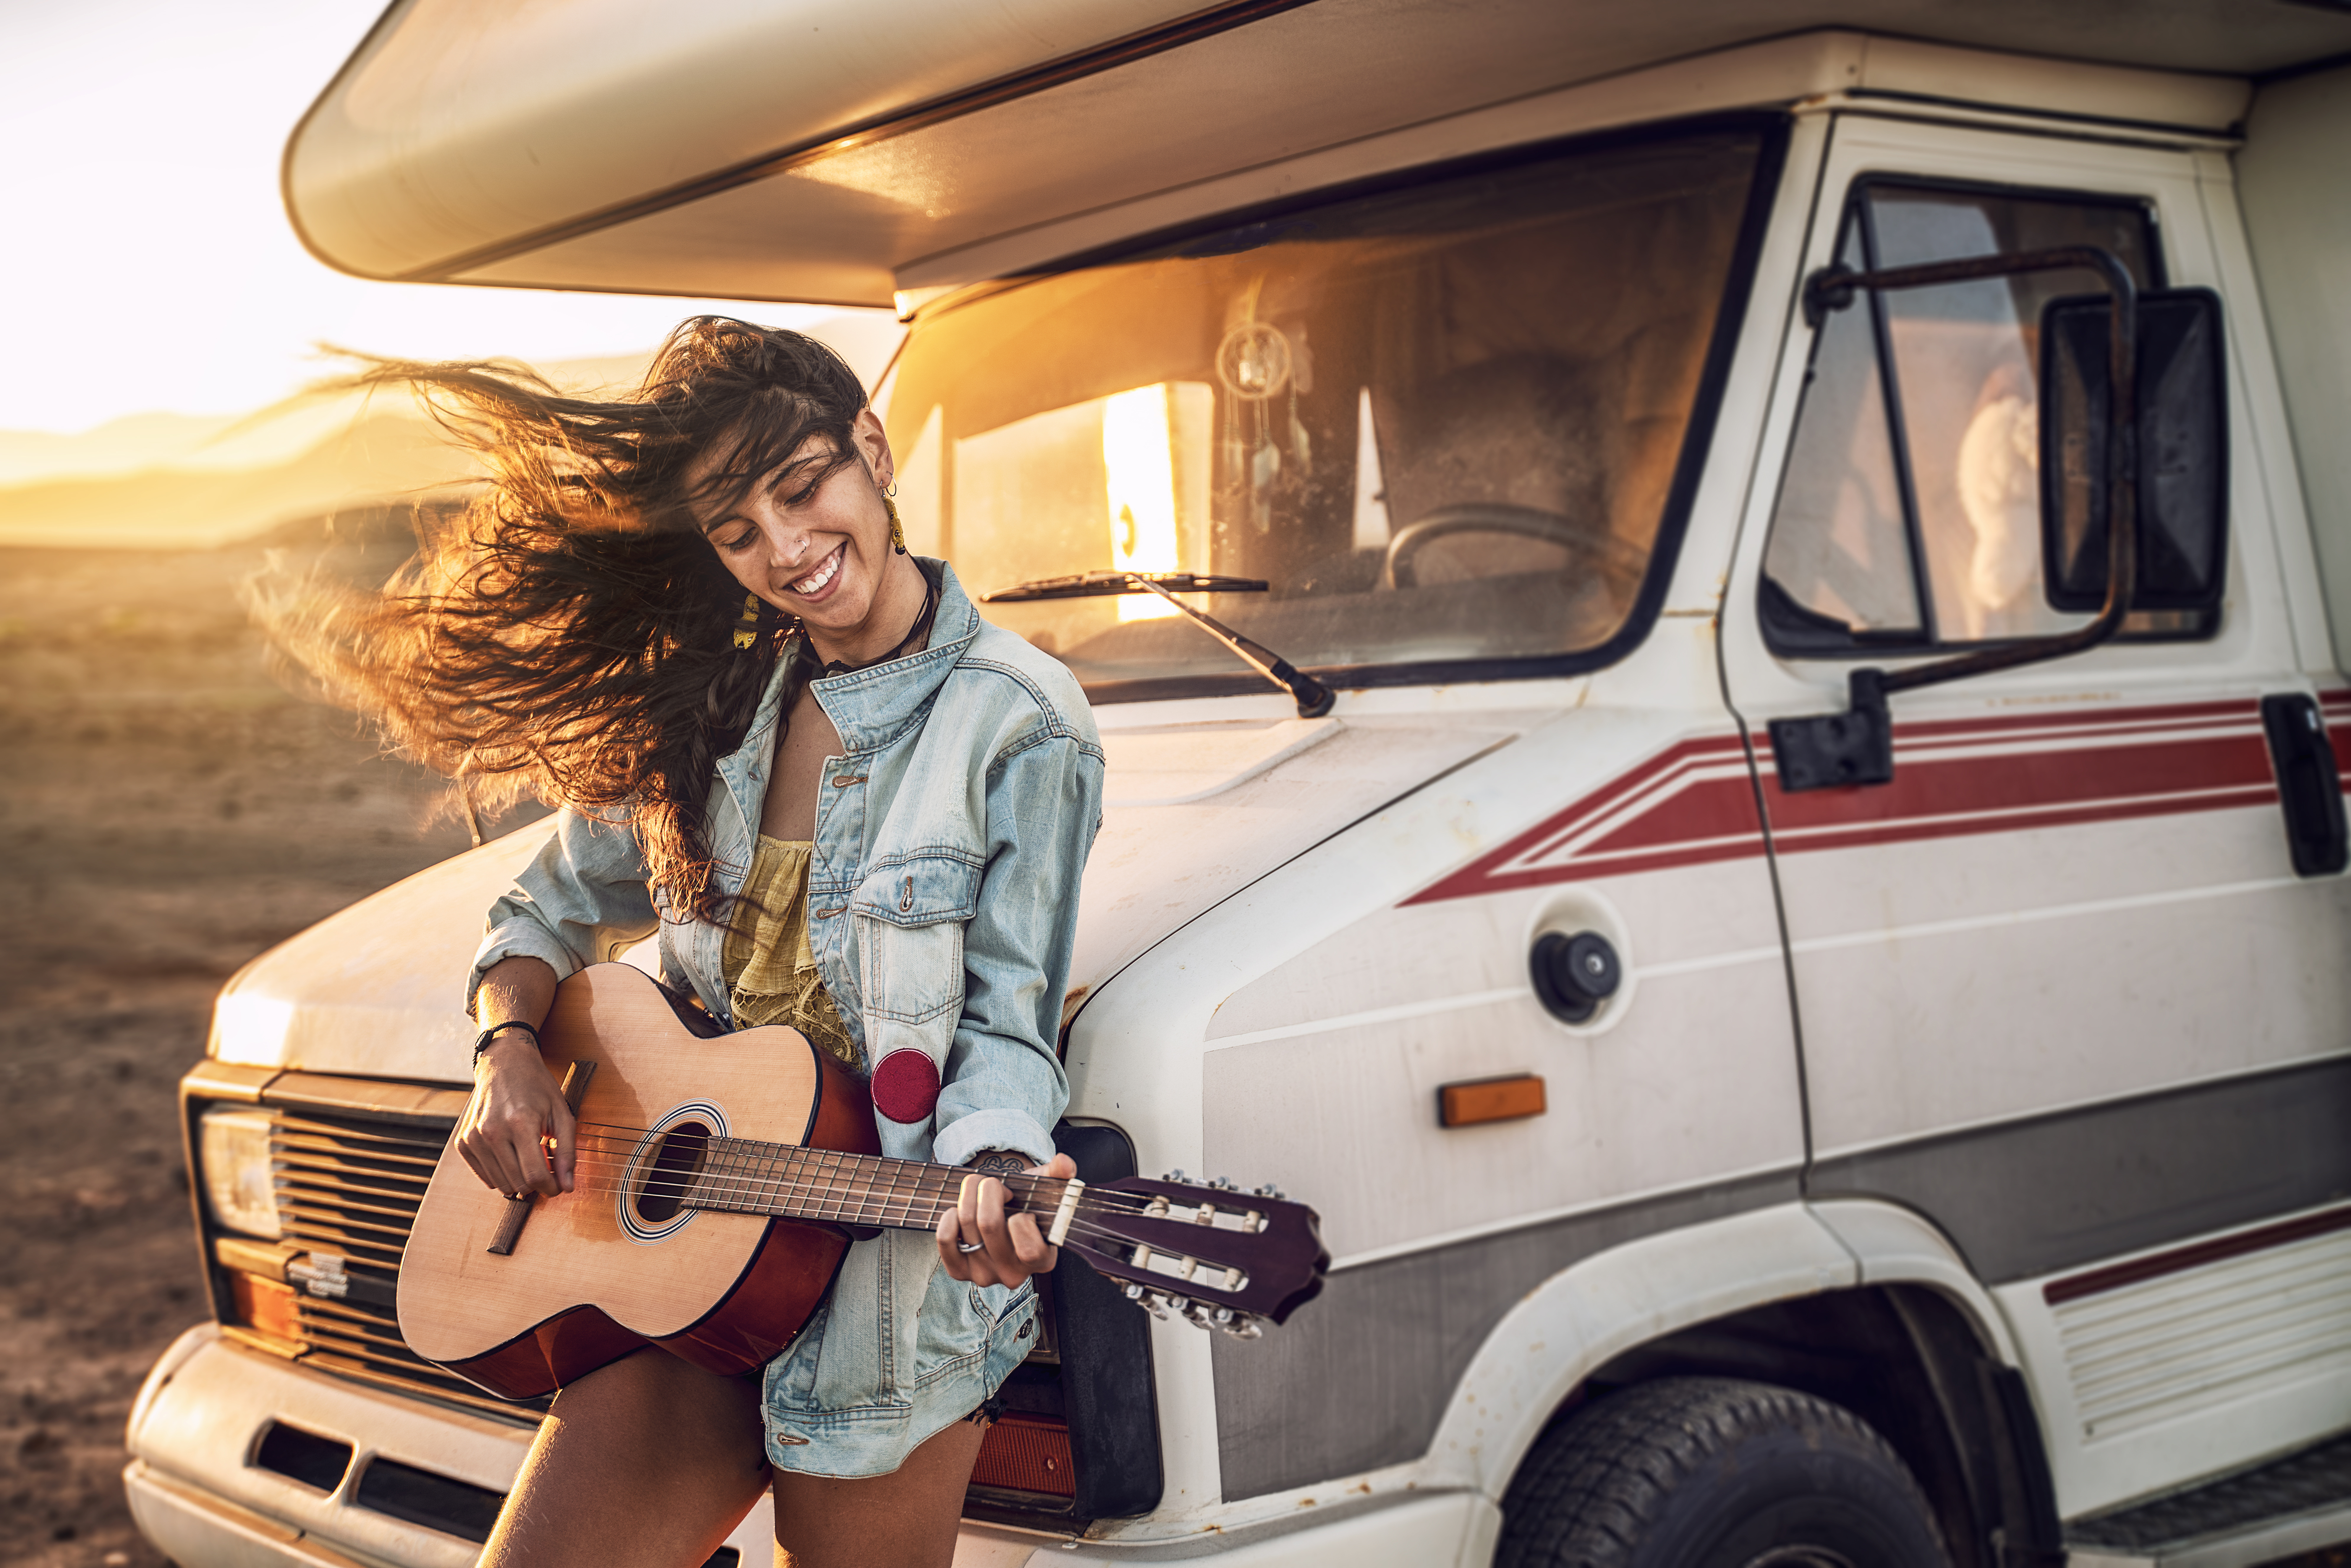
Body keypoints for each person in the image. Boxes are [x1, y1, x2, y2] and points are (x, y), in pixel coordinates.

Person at [271, 318, 1105, 1566]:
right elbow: (541, 911)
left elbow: (1005, 1019)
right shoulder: (719, 703)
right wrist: (505, 1050)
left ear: (869, 449)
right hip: (685, 1273)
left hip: (881, 1300)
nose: (786, 551)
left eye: (801, 488)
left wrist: (993, 1167)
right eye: (736, 532)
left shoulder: (1023, 724)